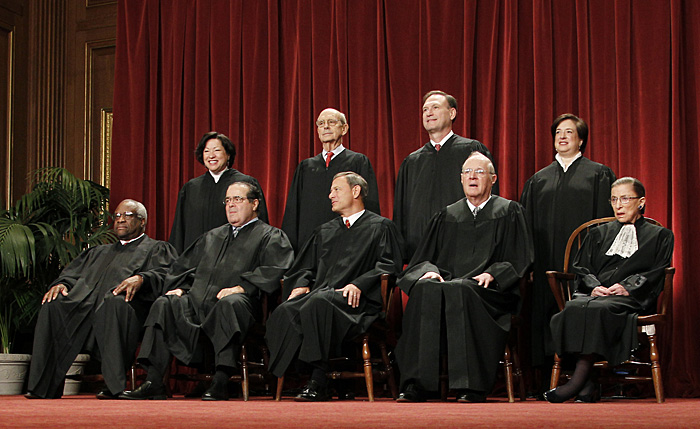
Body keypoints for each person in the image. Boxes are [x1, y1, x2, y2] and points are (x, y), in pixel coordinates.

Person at [120, 182, 293, 401]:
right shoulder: (212, 236)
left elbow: (276, 269)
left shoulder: (270, 236)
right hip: (197, 302)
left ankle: (221, 380)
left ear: (255, 203)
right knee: (165, 303)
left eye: (237, 199)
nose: (231, 205)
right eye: (228, 200)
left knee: (231, 303)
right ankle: (154, 381)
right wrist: (182, 289)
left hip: (242, 307)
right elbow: (183, 268)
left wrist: (243, 288)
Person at [395, 152, 532, 403]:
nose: (472, 176)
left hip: (489, 292)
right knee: (425, 289)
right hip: (447, 287)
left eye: (479, 172)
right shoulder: (447, 215)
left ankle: (471, 386)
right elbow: (422, 258)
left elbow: (521, 257)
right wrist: (430, 272)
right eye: (467, 172)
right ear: (460, 179)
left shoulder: (509, 211)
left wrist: (494, 272)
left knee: (463, 289)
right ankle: (418, 384)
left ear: (493, 178)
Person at [266, 172, 403, 401]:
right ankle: (295, 376)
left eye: (336, 190)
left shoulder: (380, 227)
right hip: (322, 296)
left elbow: (390, 265)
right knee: (286, 310)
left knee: (319, 303)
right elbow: (304, 267)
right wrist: (300, 285)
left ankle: (319, 380)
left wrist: (360, 284)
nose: (330, 195)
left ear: (356, 191)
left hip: (358, 304)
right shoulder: (325, 231)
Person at [25, 199, 178, 399]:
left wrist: (142, 278)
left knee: (115, 303)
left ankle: (113, 386)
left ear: (142, 222)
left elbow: (169, 275)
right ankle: (43, 387)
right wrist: (63, 284)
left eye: (127, 215)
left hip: (130, 310)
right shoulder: (98, 252)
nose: (120, 220)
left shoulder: (156, 248)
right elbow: (72, 275)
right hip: (84, 306)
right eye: (117, 216)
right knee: (53, 304)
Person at [544, 177, 673, 403]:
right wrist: (594, 287)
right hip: (598, 295)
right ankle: (587, 384)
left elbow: (659, 270)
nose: (619, 205)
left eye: (625, 199)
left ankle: (578, 381)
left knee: (601, 310)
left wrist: (627, 287)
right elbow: (581, 267)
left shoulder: (660, 235)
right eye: (614, 199)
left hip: (632, 298)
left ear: (641, 202)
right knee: (574, 307)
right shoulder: (598, 233)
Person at [520, 113, 616, 388]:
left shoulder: (598, 174)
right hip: (546, 261)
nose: (562, 137)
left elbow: (606, 224)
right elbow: (527, 226)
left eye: (569, 133)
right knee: (546, 313)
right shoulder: (538, 180)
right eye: (558, 132)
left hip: (584, 265)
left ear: (581, 140)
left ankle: (585, 379)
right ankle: (544, 381)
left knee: (582, 312)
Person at [394, 90, 498, 260]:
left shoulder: (472, 151)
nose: (429, 113)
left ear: (452, 113)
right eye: (425, 110)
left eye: (435, 107)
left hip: (464, 247)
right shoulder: (412, 161)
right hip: (421, 251)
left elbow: (490, 199)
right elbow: (401, 212)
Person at [282, 108, 381, 250]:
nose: (325, 126)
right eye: (321, 123)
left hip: (347, 243)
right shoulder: (306, 166)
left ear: (344, 128)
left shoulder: (358, 162)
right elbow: (293, 210)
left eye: (331, 122)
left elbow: (369, 203)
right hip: (310, 244)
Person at [169, 131, 269, 254]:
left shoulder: (245, 183)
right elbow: (180, 228)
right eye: (206, 151)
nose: (211, 155)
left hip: (236, 257)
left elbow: (260, 221)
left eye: (216, 150)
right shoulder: (191, 188)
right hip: (197, 260)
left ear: (228, 155)